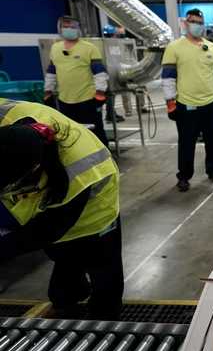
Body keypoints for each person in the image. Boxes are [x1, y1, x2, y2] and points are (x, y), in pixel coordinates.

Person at [0, 98, 123, 320]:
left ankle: (106, 324)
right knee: (64, 270)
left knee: (105, 276)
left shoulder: (76, 167)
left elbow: (46, 232)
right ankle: (70, 295)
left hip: (96, 210)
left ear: (32, 171)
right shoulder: (11, 137)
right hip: (49, 212)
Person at [162, 8, 213, 192]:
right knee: (186, 143)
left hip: (211, 104)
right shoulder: (174, 48)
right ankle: (184, 176)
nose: (196, 25)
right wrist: (170, 102)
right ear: (185, 23)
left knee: (212, 141)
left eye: (200, 22)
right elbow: (168, 78)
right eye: (193, 22)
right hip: (187, 105)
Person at [44, 16, 109, 147]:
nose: (69, 29)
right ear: (60, 29)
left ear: (79, 29)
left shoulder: (89, 48)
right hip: (65, 100)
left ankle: (104, 159)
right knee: (71, 133)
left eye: (72, 27)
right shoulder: (55, 48)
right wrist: (48, 91)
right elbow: (51, 72)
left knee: (95, 133)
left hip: (87, 99)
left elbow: (100, 73)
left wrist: (100, 93)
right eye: (65, 27)